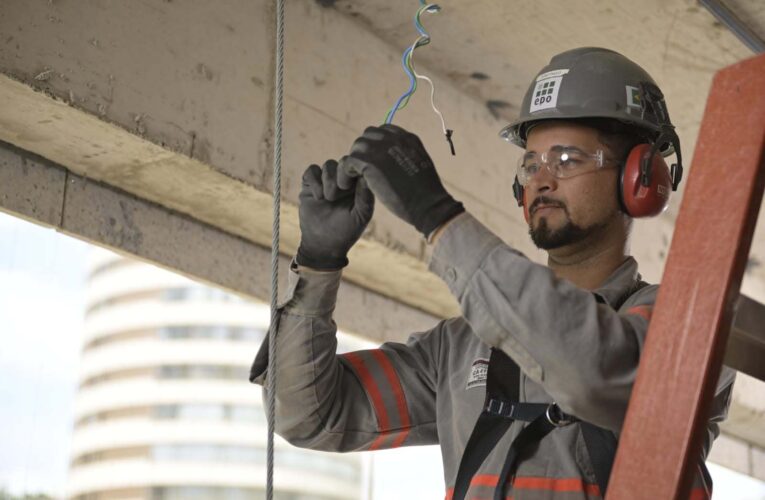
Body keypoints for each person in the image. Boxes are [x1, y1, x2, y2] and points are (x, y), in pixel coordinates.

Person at [250, 47, 735, 499]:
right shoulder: (456, 352)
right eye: (530, 164)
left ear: (640, 178)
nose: (541, 179)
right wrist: (318, 265)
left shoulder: (692, 325)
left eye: (567, 160)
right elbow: (307, 414)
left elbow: (593, 369)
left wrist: (435, 214)